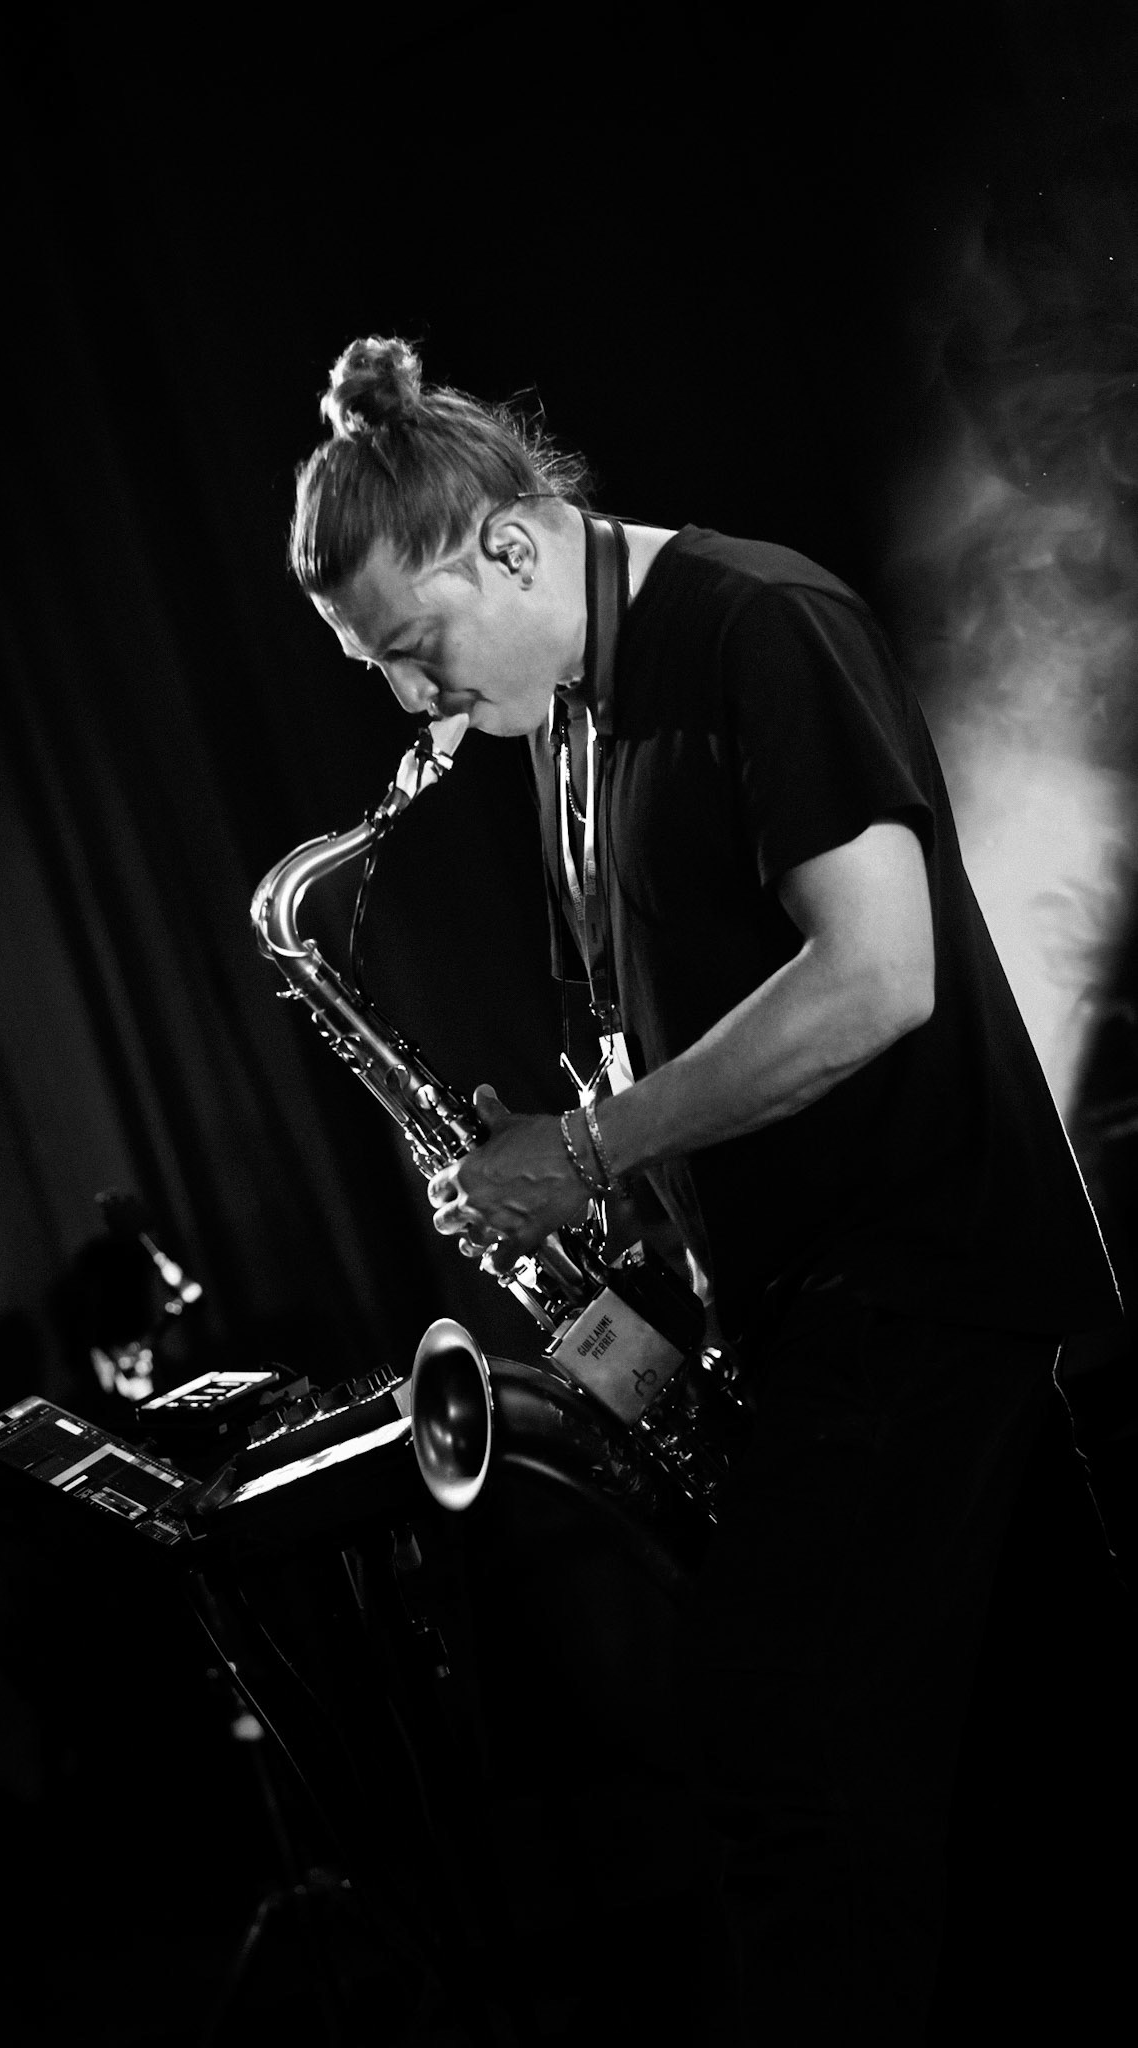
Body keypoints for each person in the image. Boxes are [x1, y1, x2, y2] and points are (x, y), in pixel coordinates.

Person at [287, 336, 1122, 2045]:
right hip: (828, 1307)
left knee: (778, 1760)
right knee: (1034, 1782)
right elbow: (676, 1011)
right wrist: (588, 1159)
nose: (414, 705)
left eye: (414, 650)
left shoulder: (752, 624)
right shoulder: (572, 715)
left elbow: (874, 978)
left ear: (507, 548)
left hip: (907, 1288)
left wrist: (593, 1152)